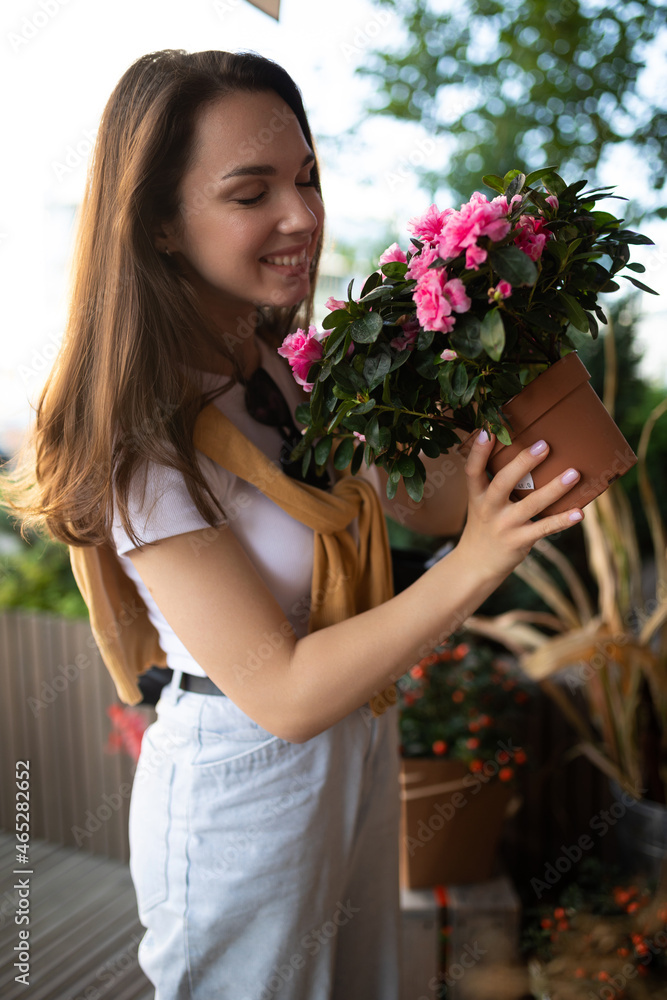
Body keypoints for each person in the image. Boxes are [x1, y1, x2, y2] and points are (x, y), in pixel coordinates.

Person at [6, 48, 585, 1000]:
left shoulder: (268, 370)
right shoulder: (142, 436)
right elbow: (278, 690)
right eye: (251, 192)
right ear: (156, 223)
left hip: (349, 742)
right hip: (245, 778)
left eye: (308, 177)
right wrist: (479, 561)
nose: (303, 217)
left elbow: (406, 506)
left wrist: (504, 461)